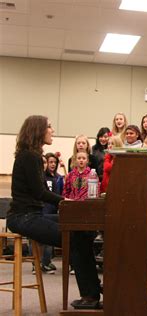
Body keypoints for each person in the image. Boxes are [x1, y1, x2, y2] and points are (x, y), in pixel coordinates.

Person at [7, 115, 101, 309]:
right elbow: (39, 192)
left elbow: (39, 193)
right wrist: (66, 200)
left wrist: (66, 202)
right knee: (74, 235)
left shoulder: (32, 155)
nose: (52, 130)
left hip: (33, 214)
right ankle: (90, 295)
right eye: (49, 127)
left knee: (81, 230)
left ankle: (93, 291)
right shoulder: (29, 156)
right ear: (38, 130)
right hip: (22, 217)